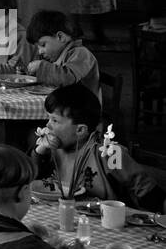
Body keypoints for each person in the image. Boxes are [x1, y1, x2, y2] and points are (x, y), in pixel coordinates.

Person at [33, 83, 165, 211]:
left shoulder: (109, 153)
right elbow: (31, 181)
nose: (48, 125)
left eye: (55, 120)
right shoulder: (53, 150)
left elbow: (146, 190)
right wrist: (39, 152)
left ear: (80, 130)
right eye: (49, 118)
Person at [23, 9, 100, 97]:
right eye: (38, 47)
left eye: (43, 45)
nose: (40, 51)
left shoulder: (81, 53)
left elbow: (67, 78)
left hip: (83, 108)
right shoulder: (59, 57)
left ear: (60, 37)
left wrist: (41, 66)